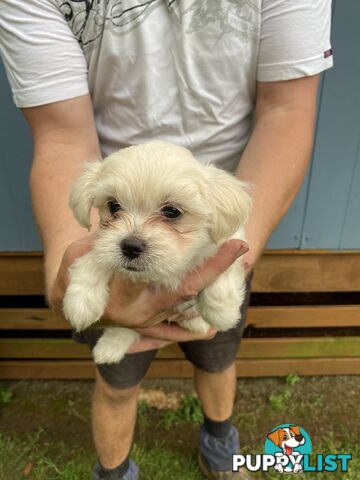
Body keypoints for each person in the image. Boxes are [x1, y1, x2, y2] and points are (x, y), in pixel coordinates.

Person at [0, 1, 333, 479]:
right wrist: (71, 271)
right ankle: (114, 471)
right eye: (114, 208)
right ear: (97, 201)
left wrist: (227, 269)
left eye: (169, 214)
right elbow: (60, 135)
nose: (134, 235)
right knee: (115, 380)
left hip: (222, 220)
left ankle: (221, 440)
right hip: (124, 239)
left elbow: (287, 110)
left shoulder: (221, 207)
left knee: (217, 353)